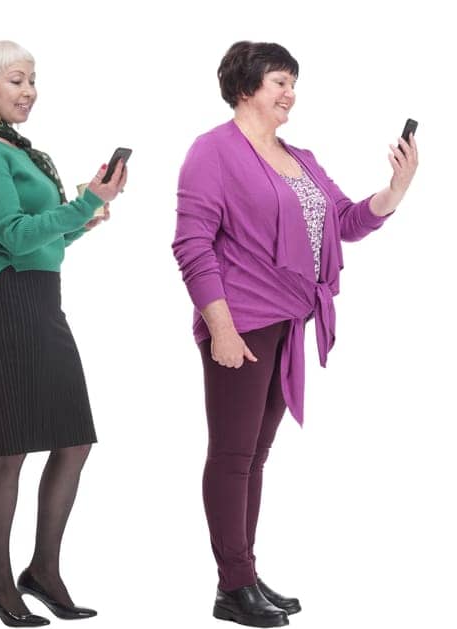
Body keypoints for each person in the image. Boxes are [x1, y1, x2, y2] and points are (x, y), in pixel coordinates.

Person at [172, 40, 416, 628]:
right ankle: (233, 586)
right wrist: (221, 329)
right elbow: (191, 244)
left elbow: (345, 222)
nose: (290, 93)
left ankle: (245, 577)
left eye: (292, 82)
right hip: (241, 325)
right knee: (232, 457)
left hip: (287, 324)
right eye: (280, 81)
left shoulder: (299, 157)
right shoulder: (212, 152)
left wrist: (395, 189)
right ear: (247, 86)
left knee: (255, 457)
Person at [0, 40, 124, 627]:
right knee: (11, 446)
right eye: (17, 81)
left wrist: (85, 213)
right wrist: (82, 204)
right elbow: (16, 234)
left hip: (42, 299)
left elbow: (48, 240)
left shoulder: (19, 150)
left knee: (73, 439)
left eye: (32, 81)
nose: (29, 91)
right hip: (8, 300)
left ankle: (42, 571)